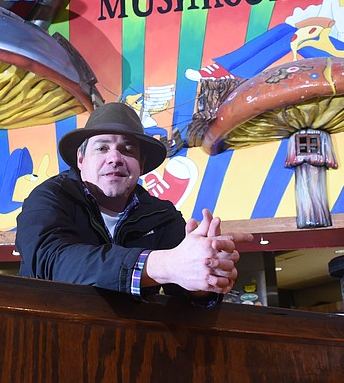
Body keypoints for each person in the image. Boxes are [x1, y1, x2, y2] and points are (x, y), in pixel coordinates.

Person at [15, 102, 253, 305]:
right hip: (47, 343)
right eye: (102, 148)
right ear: (80, 159)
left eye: (127, 149)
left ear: (140, 164)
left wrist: (208, 274)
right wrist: (164, 264)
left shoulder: (161, 215)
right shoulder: (49, 198)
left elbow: (186, 293)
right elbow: (51, 263)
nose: (115, 158)